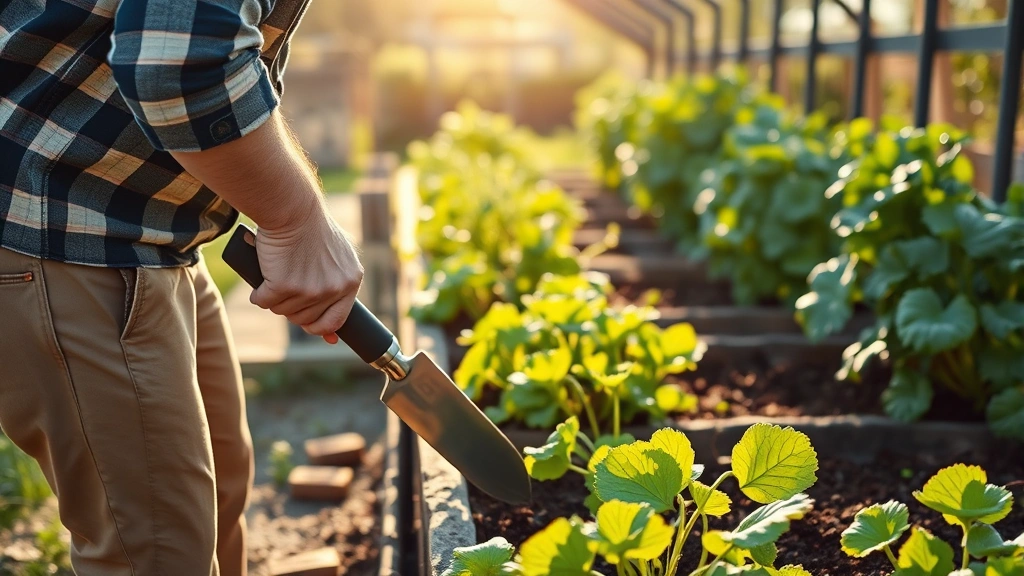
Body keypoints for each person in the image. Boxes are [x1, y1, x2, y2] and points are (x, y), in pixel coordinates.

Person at [0, 1, 364, 574]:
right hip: (61, 229)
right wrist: (298, 219)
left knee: (215, 504)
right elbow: (179, 65)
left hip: (153, 231)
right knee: (156, 554)